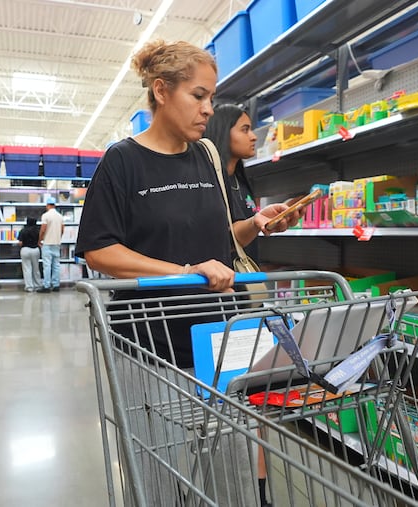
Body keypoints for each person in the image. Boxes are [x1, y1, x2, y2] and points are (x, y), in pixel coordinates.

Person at [74, 39, 299, 507]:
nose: (207, 109)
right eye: (198, 96)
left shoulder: (208, 157)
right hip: (152, 343)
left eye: (211, 98)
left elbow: (222, 242)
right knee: (161, 473)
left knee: (232, 470)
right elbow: (98, 249)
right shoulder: (123, 161)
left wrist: (257, 224)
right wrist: (183, 271)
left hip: (222, 337)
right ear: (161, 91)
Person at [204, 104, 259, 262]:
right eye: (245, 129)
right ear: (223, 132)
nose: (253, 136)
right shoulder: (209, 183)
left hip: (248, 277)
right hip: (223, 279)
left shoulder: (241, 181)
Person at [38, 197, 65, 292]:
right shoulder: (60, 216)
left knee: (47, 265)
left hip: (47, 244)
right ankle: (56, 285)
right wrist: (58, 238)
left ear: (47, 205)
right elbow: (62, 230)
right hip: (56, 243)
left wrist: (40, 240)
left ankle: (46, 286)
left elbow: (43, 229)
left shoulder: (45, 215)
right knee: (56, 265)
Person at [17, 216, 42, 292]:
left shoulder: (23, 230)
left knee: (27, 269)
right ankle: (37, 285)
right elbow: (40, 241)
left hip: (25, 250)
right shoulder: (38, 231)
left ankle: (29, 287)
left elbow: (20, 242)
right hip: (35, 250)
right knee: (36, 269)